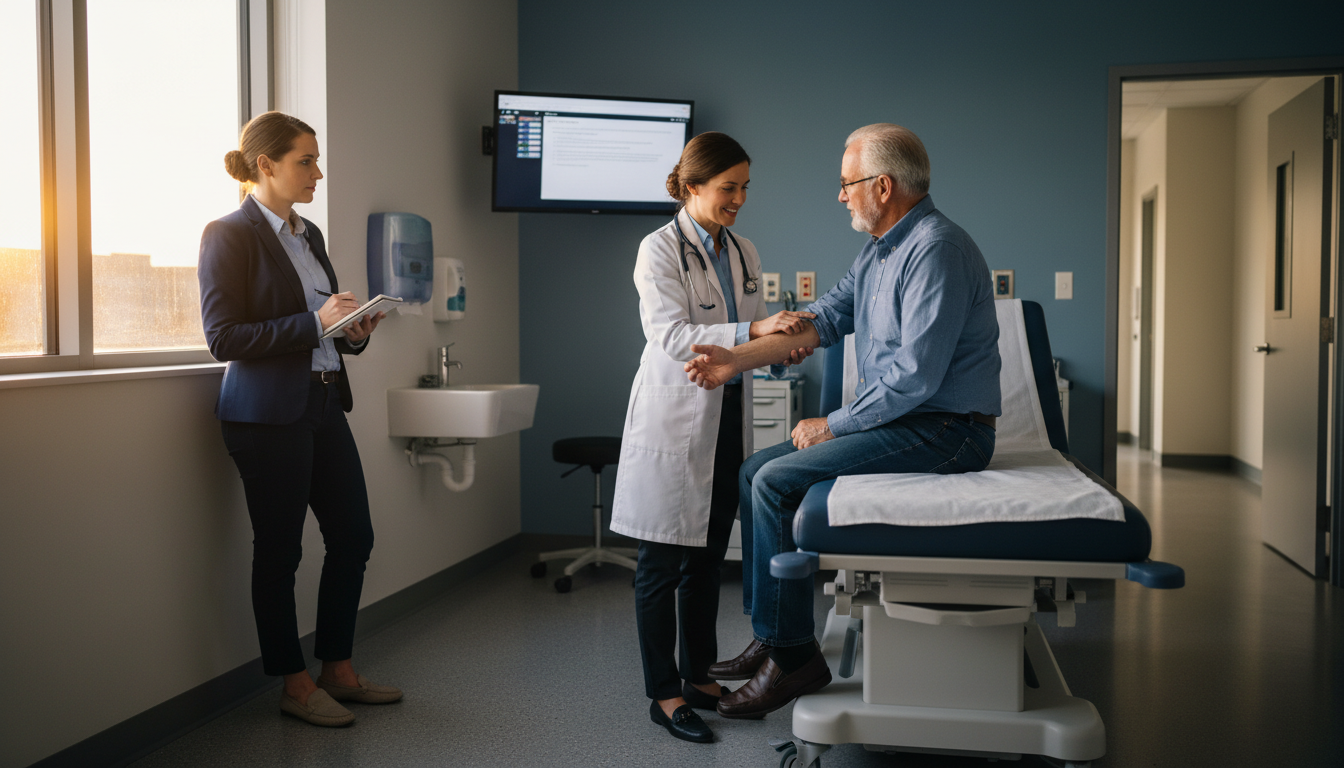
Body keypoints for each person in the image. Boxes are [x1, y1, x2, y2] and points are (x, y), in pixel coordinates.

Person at [686, 123, 1003, 719]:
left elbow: (915, 377)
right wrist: (735, 360)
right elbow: (823, 318)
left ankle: (794, 656)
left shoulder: (936, 248)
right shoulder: (880, 250)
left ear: (882, 187)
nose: (840, 196)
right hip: (911, 422)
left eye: (846, 183)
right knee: (756, 471)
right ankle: (774, 635)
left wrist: (833, 423)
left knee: (779, 482)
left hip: (949, 431)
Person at [608, 132, 814, 743]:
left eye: (746, 187)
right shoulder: (657, 249)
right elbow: (670, 336)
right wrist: (756, 325)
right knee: (660, 563)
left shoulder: (744, 250)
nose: (740, 199)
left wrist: (780, 351)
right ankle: (664, 693)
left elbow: (743, 344)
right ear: (693, 185)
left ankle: (698, 675)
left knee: (705, 560)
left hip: (727, 417)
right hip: (674, 419)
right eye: (729, 187)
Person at [198, 111, 400, 728]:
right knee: (280, 552)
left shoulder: (307, 235)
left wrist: (352, 330)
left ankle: (337, 668)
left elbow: (325, 332)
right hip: (264, 416)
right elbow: (223, 337)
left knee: (354, 537)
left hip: (322, 401)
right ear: (266, 165)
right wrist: (314, 324)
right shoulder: (227, 234)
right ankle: (293, 682)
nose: (318, 171)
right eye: (306, 160)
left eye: (317, 159)